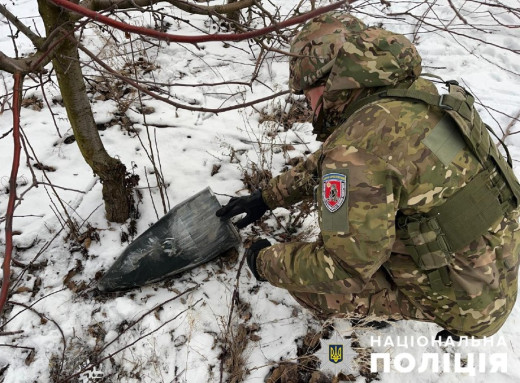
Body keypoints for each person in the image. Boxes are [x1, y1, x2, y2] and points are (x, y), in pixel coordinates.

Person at [216, 11, 520, 338]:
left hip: (470, 307)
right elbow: (350, 158)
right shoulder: (416, 95)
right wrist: (268, 197)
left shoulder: (356, 152)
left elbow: (338, 269)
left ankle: (418, 310)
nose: (305, 100)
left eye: (306, 90)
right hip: (500, 268)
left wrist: (263, 262)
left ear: (328, 81)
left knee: (314, 287)